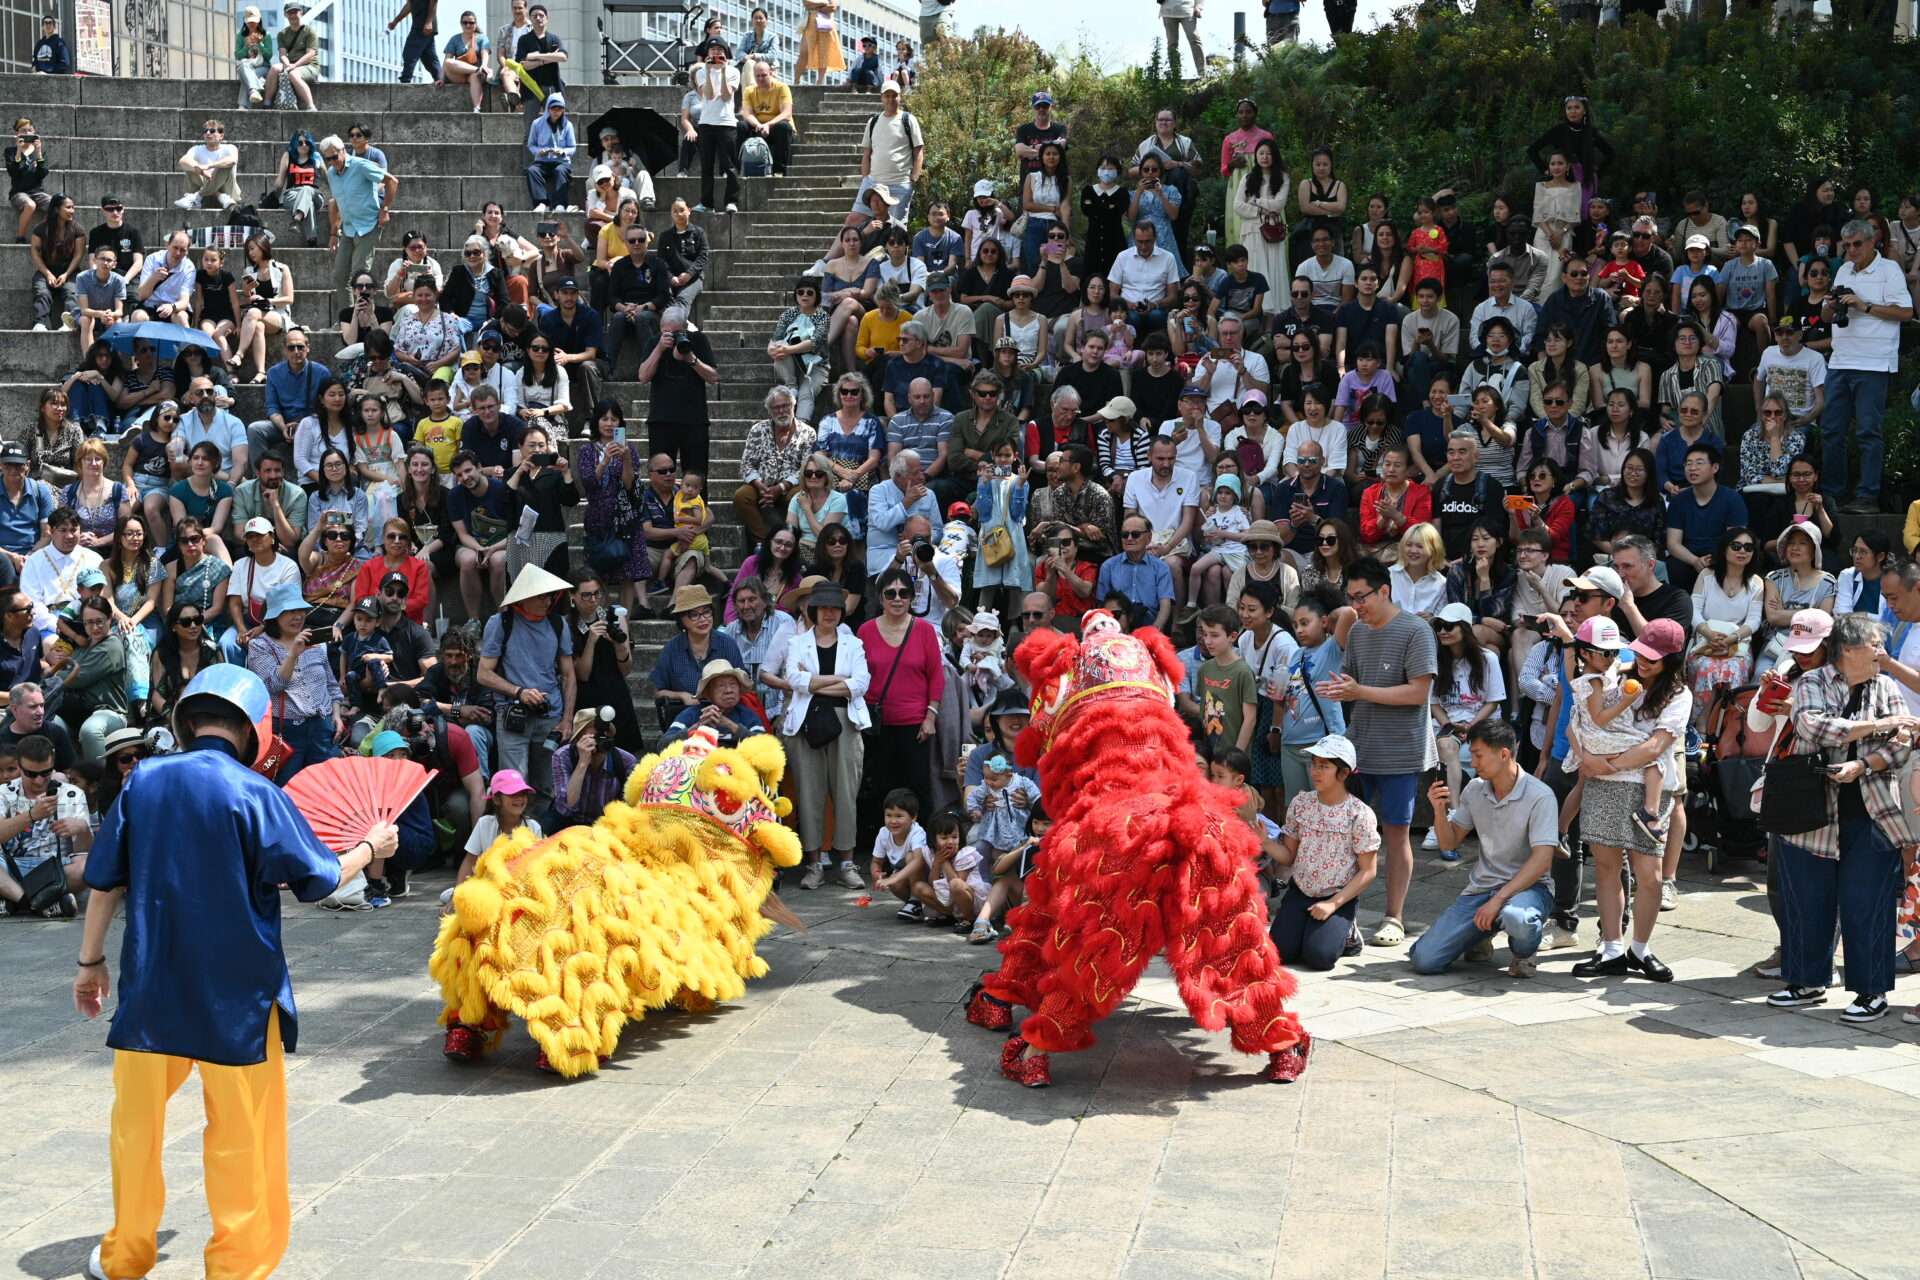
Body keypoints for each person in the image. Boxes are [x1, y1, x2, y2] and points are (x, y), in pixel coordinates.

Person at [72, 666, 395, 1280]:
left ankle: (125, 1256)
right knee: (242, 1137)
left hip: (151, 988)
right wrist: (371, 848)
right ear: (251, 729)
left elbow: (105, 882)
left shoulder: (142, 782)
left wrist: (90, 964)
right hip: (239, 999)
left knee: (134, 1128)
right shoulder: (257, 794)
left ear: (188, 720)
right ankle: (235, 1267)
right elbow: (321, 880)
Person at [1317, 556, 1434, 947]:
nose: (1356, 606)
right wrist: (1340, 691)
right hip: (1359, 747)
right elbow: (1353, 683)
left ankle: (1393, 917)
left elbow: (1418, 692)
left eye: (1361, 597)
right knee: (1346, 829)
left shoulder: (1416, 631)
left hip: (1401, 750)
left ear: (1384, 591)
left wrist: (1359, 691)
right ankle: (1341, 912)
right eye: (1351, 598)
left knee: (1396, 833)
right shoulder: (1358, 632)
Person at [1410, 720, 1561, 978]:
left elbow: (1542, 860)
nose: (1473, 762)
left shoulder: (1540, 796)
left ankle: (1524, 953)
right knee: (1424, 960)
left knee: (1518, 919)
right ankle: (1480, 934)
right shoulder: (1475, 789)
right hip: (1482, 888)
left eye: (1478, 755)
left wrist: (1498, 899)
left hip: (1530, 889)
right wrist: (1438, 811)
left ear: (1504, 754)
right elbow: (1449, 843)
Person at [1821, 219, 1914, 512]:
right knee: (1831, 431)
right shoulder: (1843, 270)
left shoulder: (1889, 269)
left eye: (1857, 244)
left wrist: (1864, 306)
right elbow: (1825, 318)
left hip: (1873, 363)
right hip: (1840, 361)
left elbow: (1906, 312)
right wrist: (1831, 306)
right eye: (1847, 245)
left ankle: (1867, 497)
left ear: (1873, 241)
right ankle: (1833, 495)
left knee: (1868, 433)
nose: (1851, 250)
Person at [476, 562, 574, 793]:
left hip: (551, 715)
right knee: (514, 787)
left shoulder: (558, 623)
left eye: (549, 596)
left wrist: (567, 719)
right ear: (524, 597)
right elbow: (483, 673)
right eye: (541, 596)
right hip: (513, 714)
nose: (547, 601)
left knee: (549, 788)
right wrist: (519, 692)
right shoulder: (501, 623)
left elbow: (569, 675)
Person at [320, 134, 399, 304]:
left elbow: (392, 181)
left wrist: (385, 209)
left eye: (334, 156)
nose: (333, 162)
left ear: (343, 150)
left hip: (368, 225)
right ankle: (348, 316)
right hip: (348, 229)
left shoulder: (360, 165)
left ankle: (364, 316)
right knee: (340, 276)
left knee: (360, 276)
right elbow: (338, 203)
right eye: (328, 159)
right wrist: (334, 233)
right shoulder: (332, 174)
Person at [263, 0, 321, 111]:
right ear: (286, 15)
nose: (293, 15)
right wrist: (287, 64)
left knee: (293, 74)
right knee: (274, 68)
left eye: (295, 12)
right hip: (291, 64)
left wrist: (294, 66)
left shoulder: (310, 32)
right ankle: (267, 103)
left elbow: (310, 54)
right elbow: (282, 54)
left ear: (301, 13)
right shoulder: (282, 34)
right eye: (290, 13)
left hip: (309, 66)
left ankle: (310, 106)